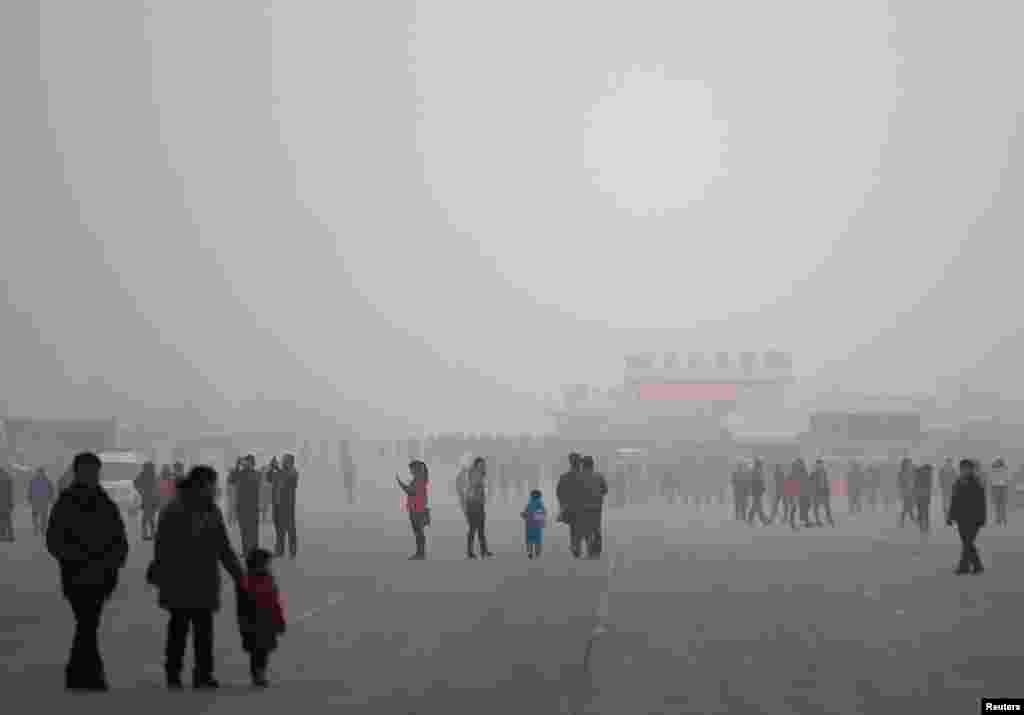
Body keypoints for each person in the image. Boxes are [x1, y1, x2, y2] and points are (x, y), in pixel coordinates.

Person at [147, 465, 244, 689]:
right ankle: (173, 673)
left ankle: (203, 674)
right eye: (212, 485)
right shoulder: (174, 510)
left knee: (204, 631)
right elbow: (162, 548)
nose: (215, 489)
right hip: (179, 580)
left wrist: (240, 576)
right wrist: (164, 574)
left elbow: (223, 548)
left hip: (204, 580)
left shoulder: (212, 511)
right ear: (201, 485)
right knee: (178, 629)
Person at [46, 452, 129, 691]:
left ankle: (81, 674)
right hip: (76, 574)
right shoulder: (66, 502)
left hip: (102, 574)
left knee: (88, 624)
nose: (91, 475)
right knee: (87, 623)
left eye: (94, 471)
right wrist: (75, 557)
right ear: (77, 472)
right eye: (86, 471)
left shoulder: (105, 503)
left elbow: (119, 537)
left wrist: (115, 559)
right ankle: (86, 675)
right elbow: (54, 540)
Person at [236, 548, 286, 687]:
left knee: (263, 650)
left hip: (267, 621)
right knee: (257, 649)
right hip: (253, 621)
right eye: (264, 563)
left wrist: (279, 619)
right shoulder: (246, 581)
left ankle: (260, 672)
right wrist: (243, 622)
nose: (267, 566)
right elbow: (242, 605)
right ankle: (258, 674)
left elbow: (275, 601)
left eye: (267, 563)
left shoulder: (268, 579)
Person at [947, 458, 987, 575]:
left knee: (967, 543)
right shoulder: (958, 483)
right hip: (961, 518)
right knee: (966, 543)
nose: (964, 471)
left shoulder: (977, 483)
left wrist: (982, 518)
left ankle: (966, 566)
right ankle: (974, 566)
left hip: (974, 519)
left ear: (971, 470)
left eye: (967, 468)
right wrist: (950, 516)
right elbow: (954, 501)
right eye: (962, 468)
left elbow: (981, 503)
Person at [457, 457, 492, 559]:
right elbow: (471, 487)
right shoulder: (473, 473)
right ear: (476, 465)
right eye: (481, 464)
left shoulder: (480, 474)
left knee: (481, 529)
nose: (483, 466)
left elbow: (479, 489)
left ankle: (484, 550)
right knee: (473, 529)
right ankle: (470, 552)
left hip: (479, 504)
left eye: (483, 464)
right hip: (472, 504)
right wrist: (477, 487)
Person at [229, 455, 263, 555]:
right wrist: (236, 465)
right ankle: (246, 551)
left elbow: (252, 479)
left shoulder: (256, 474)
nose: (245, 464)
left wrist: (241, 468)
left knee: (252, 532)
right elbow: (231, 480)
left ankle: (253, 552)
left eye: (247, 462)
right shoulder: (241, 473)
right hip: (241, 506)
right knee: (243, 530)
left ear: (252, 463)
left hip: (252, 507)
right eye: (245, 462)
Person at [396, 460, 430, 560]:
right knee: (419, 531)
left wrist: (400, 483)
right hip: (417, 507)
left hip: (416, 509)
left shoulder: (418, 479)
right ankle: (420, 552)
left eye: (411, 469)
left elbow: (410, 491)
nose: (410, 471)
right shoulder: (421, 478)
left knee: (418, 531)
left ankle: (420, 553)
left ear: (415, 469)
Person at [577, 456, 608, 558]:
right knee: (596, 527)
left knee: (586, 528)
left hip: (583, 506)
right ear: (592, 465)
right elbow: (605, 490)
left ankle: (589, 550)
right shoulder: (599, 476)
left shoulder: (579, 477)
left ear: (583, 465)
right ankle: (597, 551)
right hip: (596, 506)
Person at [270, 454, 299, 558]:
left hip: (287, 506)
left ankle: (293, 551)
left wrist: (277, 468)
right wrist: (271, 468)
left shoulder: (293, 472)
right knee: (279, 529)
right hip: (277, 505)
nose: (283, 462)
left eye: (285, 460)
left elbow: (287, 477)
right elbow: (269, 478)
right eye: (283, 460)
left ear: (291, 462)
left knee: (290, 529)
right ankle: (279, 551)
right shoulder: (280, 472)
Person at [134, 461, 160, 540]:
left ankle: (146, 534)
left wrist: (140, 491)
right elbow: (135, 483)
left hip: (148, 498)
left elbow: (135, 483)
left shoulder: (146, 474)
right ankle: (149, 534)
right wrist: (141, 490)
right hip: (150, 498)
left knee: (147, 518)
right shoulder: (150, 475)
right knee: (149, 517)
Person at [28, 467, 56, 536]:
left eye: (41, 472)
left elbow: (51, 490)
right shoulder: (46, 481)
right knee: (37, 516)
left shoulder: (43, 481)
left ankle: (41, 529)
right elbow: (30, 490)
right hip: (38, 501)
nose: (40, 474)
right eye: (39, 472)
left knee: (42, 517)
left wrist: (51, 498)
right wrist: (29, 497)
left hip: (41, 501)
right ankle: (38, 528)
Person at [521, 489, 547, 559]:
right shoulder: (540, 504)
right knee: (537, 540)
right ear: (540, 496)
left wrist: (524, 515)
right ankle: (537, 553)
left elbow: (524, 514)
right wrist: (542, 523)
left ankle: (529, 552)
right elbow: (543, 513)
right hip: (536, 526)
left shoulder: (529, 504)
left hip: (529, 525)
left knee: (529, 540)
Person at [811, 458, 835, 527]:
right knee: (816, 507)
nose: (820, 466)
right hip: (817, 492)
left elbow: (826, 482)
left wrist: (828, 490)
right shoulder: (814, 473)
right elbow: (811, 482)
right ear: (816, 465)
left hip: (824, 492)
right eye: (819, 464)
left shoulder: (824, 472)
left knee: (826, 506)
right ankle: (818, 520)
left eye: (821, 464)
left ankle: (829, 519)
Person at [747, 458, 770, 525]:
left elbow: (757, 482)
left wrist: (762, 487)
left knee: (757, 505)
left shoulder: (756, 471)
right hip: (757, 491)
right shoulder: (756, 471)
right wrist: (762, 488)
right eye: (761, 464)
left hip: (756, 491)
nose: (762, 465)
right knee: (757, 505)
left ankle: (761, 519)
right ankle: (762, 520)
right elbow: (757, 482)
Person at [989, 457, 1010, 526]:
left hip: (1001, 487)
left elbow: (1007, 479)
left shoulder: (1003, 469)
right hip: (997, 487)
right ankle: (999, 519)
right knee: (998, 505)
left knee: (1001, 504)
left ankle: (1002, 519)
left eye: (999, 462)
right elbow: (991, 479)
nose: (997, 463)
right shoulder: (994, 469)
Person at [914, 464, 933, 533]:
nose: (931, 472)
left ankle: (923, 526)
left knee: (922, 511)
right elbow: (928, 487)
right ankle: (925, 526)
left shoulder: (919, 473)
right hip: (923, 496)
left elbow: (916, 485)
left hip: (920, 496)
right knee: (925, 511)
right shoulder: (926, 475)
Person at [898, 458, 916, 527]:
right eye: (909, 463)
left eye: (910, 463)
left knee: (908, 506)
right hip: (906, 492)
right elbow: (900, 483)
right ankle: (911, 519)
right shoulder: (902, 473)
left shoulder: (913, 471)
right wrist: (902, 492)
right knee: (907, 506)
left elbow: (915, 480)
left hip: (912, 491)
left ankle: (905, 519)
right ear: (905, 464)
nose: (910, 464)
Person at [0, 466, 14, 541]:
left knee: (1, 520)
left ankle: (2, 535)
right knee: (7, 520)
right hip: (6, 502)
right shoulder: (7, 477)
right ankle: (10, 536)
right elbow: (10, 492)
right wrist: (11, 503)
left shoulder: (7, 478)